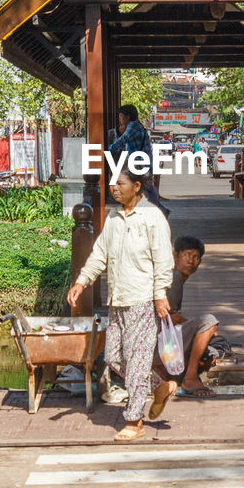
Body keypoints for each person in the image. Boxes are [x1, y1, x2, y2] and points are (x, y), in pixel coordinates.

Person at [66, 167, 177, 441]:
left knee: (137, 362)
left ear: (137, 187)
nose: (115, 189)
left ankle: (134, 420)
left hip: (142, 300)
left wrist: (160, 293)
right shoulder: (114, 218)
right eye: (113, 184)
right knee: (115, 357)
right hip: (117, 300)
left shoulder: (152, 218)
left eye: (121, 184)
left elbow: (163, 259)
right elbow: (99, 254)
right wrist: (82, 281)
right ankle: (160, 387)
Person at [163, 236, 220, 397]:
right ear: (176, 256)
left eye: (196, 257)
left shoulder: (176, 277)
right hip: (158, 343)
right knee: (209, 322)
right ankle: (190, 377)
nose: (191, 261)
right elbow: (171, 317)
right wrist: (200, 329)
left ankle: (178, 374)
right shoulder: (174, 278)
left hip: (161, 341)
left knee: (211, 351)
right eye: (187, 255)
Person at [108, 104, 168, 215]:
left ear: (128, 116)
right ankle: (161, 211)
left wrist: (110, 148)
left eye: (121, 116)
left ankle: (161, 211)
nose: (119, 119)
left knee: (144, 192)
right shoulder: (138, 126)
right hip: (142, 164)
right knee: (147, 191)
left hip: (138, 165)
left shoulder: (133, 126)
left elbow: (123, 140)